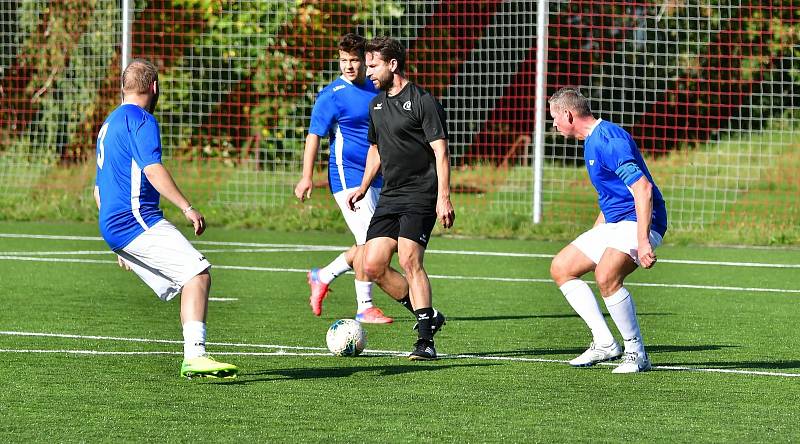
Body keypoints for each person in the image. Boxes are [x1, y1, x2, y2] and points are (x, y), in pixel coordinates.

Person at [94, 59, 237, 379]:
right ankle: (195, 356)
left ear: (124, 88)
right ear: (154, 87)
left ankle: (194, 354)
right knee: (197, 274)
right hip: (134, 220)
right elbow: (153, 169)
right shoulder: (141, 120)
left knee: (189, 280)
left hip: (116, 225)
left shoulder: (109, 124)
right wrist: (187, 207)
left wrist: (118, 245)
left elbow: (98, 190)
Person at [348, 36, 455, 361]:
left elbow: (441, 151)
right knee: (371, 264)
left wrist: (443, 197)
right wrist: (364, 186)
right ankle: (429, 315)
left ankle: (425, 341)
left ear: (393, 64)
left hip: (421, 193)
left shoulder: (422, 100)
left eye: (373, 65)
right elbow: (376, 150)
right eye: (367, 66)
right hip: (390, 195)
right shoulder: (376, 104)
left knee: (409, 259)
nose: (368, 72)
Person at [547, 87, 668, 373]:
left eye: (554, 117)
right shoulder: (590, 141)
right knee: (561, 267)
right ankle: (604, 343)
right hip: (615, 222)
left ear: (568, 114)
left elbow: (643, 189)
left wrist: (644, 241)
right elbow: (613, 195)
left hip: (639, 221)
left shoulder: (608, 140)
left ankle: (636, 352)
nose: (553, 124)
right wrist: (594, 236)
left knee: (606, 275)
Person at [295, 33, 393, 324]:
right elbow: (314, 137)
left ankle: (322, 275)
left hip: (374, 176)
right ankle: (364, 306)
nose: (348, 66)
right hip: (346, 176)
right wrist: (306, 177)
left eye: (354, 60)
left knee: (380, 241)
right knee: (370, 242)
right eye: (343, 60)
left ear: (365, 60)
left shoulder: (376, 88)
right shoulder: (331, 95)